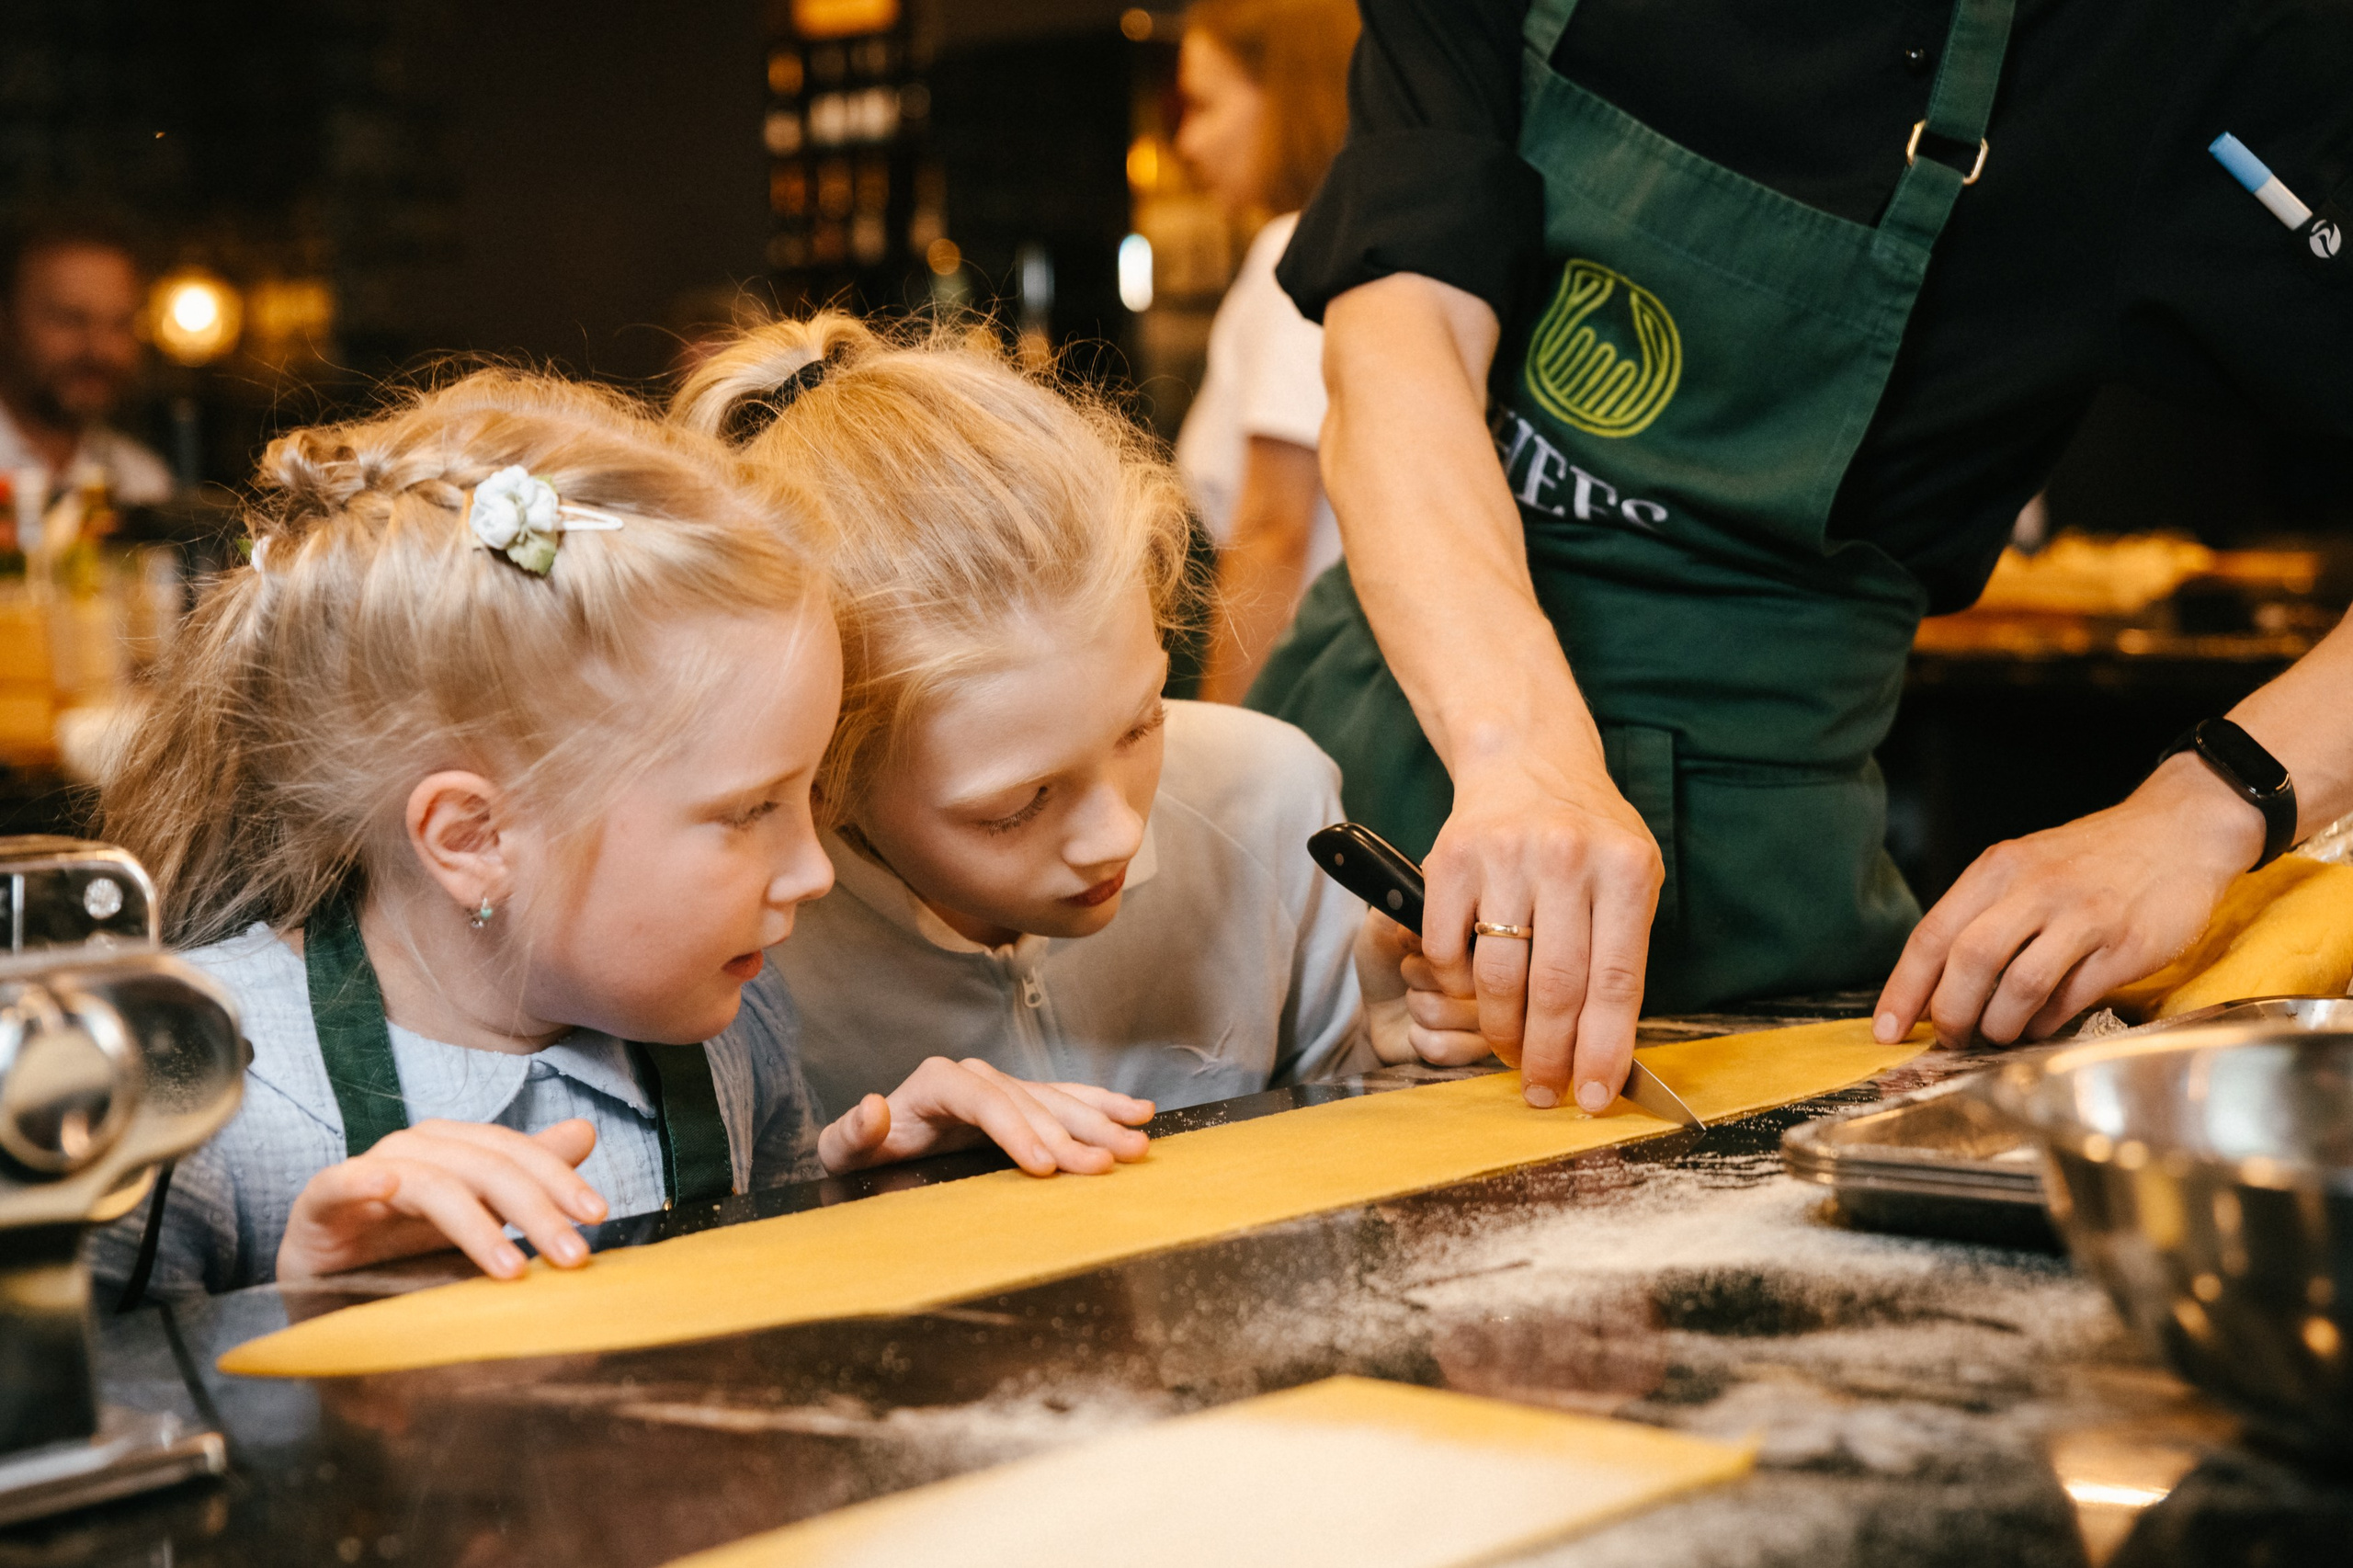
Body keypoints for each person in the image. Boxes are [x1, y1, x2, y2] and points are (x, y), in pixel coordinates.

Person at [1248, 0, 2353, 1107]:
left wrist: (2205, 807)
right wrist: (1522, 753)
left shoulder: (2177, 48)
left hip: (1750, 907)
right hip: (1349, 775)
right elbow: (1398, 341)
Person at [87, 370, 1150, 1298]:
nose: (814, 870)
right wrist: (289, 1309)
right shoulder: (187, 1091)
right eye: (750, 809)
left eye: (809, 793)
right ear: (472, 838)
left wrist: (862, 1205)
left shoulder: (738, 1025)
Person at [672, 314, 1387, 1117]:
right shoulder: (731, 956)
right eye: (1015, 807)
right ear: (824, 783)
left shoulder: (1270, 798)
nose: (1118, 834)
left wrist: (1402, 1057)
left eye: (1142, 724)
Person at [1169, 0, 1358, 703]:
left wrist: (1223, 736)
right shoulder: (1365, 251)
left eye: (1204, 105)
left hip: (1301, 686)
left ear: (1286, 98)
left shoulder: (1297, 254)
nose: (1187, 143)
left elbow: (1275, 529)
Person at [0, 215, 173, 509]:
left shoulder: (142, 483)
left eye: (120, 324)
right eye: (70, 320)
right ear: (6, 321)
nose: (99, 350)